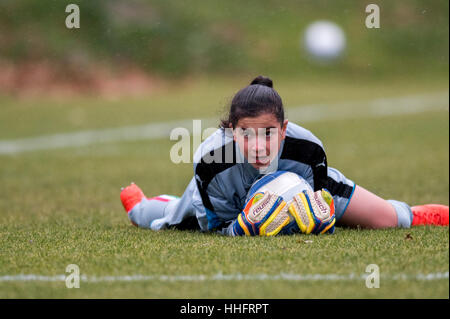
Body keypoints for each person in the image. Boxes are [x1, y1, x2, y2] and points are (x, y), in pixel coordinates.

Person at [120, 76, 449, 235]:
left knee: (390, 220)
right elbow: (215, 229)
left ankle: (421, 213)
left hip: (300, 184)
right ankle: (141, 203)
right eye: (247, 134)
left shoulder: (306, 150)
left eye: (269, 133)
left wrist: (318, 216)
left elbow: (321, 197)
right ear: (233, 131)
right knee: (164, 220)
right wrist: (242, 227)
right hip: (228, 205)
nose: (259, 145)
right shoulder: (211, 162)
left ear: (284, 128)